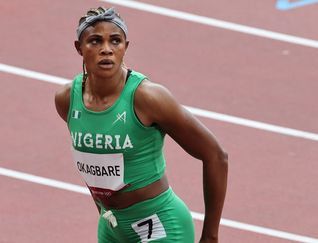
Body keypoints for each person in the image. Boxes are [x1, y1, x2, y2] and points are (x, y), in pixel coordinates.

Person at [54, 7, 228, 243]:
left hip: (161, 226)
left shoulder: (148, 98)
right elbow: (96, 168)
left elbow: (216, 156)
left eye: (115, 41)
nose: (106, 49)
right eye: (95, 41)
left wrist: (210, 236)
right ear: (79, 48)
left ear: (125, 46)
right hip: (112, 229)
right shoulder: (67, 99)